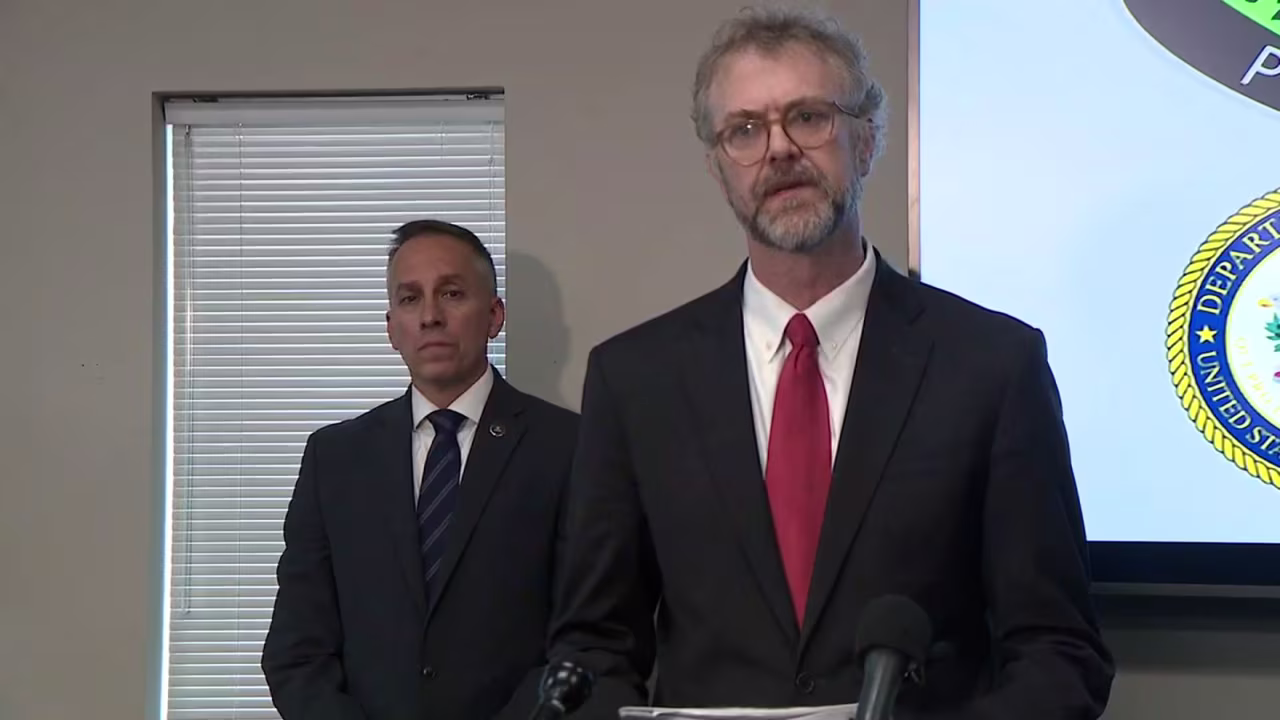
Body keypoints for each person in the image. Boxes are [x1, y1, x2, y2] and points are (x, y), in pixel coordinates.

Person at [547, 7, 1114, 719]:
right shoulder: (636, 380)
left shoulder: (992, 365)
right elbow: (594, 647)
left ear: (868, 140)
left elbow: (1059, 651)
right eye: (745, 131)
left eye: (809, 117)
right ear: (719, 167)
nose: (778, 150)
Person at [262, 220, 580, 719]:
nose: (430, 316)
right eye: (410, 300)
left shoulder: (570, 447)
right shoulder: (335, 458)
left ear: (494, 315)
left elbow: (587, 638)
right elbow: (297, 650)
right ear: (391, 328)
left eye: (451, 293)